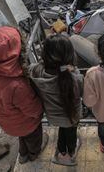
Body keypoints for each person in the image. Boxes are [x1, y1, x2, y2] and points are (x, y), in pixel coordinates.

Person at [0, 26, 46, 164]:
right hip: (27, 124)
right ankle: (33, 154)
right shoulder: (16, 85)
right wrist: (41, 111)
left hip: (5, 122)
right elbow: (33, 109)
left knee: (21, 136)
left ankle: (23, 154)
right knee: (32, 138)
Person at [29, 34, 83, 166]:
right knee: (71, 134)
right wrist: (71, 69)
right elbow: (80, 92)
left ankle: (62, 151)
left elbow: (35, 67)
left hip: (52, 117)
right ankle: (70, 152)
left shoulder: (36, 72)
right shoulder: (75, 78)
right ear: (70, 55)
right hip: (72, 116)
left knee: (63, 130)